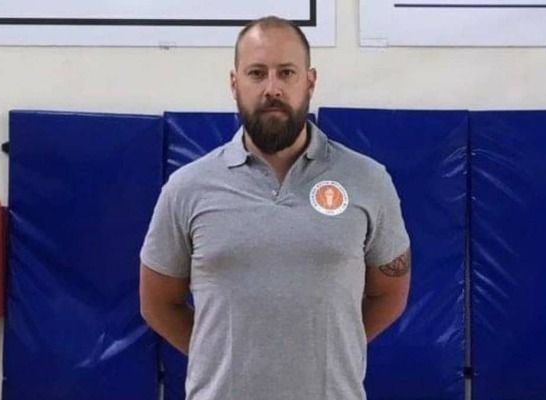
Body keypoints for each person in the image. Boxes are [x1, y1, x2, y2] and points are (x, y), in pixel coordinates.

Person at [139, 15, 411, 400]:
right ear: (234, 83)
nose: (272, 88)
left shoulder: (368, 180)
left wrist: (332, 348)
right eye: (256, 73)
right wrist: (220, 358)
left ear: (310, 82)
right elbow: (158, 303)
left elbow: (390, 294)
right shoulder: (187, 188)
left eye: (286, 73)